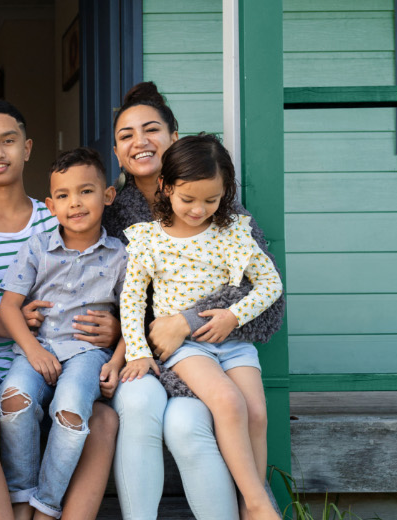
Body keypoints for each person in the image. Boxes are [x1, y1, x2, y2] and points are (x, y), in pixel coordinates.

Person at [104, 81, 285, 520]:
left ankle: (252, 505)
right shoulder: (119, 218)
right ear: (116, 150)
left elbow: (266, 293)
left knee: (204, 420)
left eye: (151, 130)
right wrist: (127, 344)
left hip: (212, 342)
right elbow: (122, 297)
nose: (140, 142)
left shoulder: (225, 213)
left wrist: (185, 319)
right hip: (156, 353)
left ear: (174, 138)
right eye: (127, 135)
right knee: (149, 406)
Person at [0, 101, 118, 520]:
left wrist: (115, 328)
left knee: (104, 423)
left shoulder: (59, 215)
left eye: (9, 140)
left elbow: (105, 284)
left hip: (64, 364)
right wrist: (2, 327)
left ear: (27, 148)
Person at [0, 147, 129, 520]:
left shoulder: (121, 256)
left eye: (86, 191)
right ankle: (22, 496)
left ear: (107, 196)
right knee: (13, 402)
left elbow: (133, 317)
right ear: (51, 206)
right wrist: (33, 352)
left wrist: (116, 362)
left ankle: (47, 505)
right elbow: (9, 307)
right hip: (37, 349)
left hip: (87, 354)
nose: (76, 203)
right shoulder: (38, 246)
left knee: (70, 412)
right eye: (65, 196)